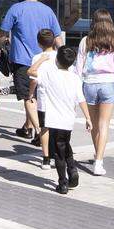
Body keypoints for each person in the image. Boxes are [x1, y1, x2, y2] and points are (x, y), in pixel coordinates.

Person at [0, 0, 63, 141]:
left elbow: (3, 33)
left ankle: (38, 132)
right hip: (45, 61)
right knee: (38, 96)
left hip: (23, 62)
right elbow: (57, 37)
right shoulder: (48, 11)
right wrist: (63, 59)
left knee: (29, 98)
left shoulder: (16, 9)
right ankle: (27, 127)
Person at [30, 44, 92, 193]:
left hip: (54, 120)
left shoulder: (50, 75)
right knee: (65, 145)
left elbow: (31, 71)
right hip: (68, 120)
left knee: (58, 152)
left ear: (56, 60)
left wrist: (41, 60)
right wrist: (88, 118)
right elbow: (81, 99)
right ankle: (73, 171)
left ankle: (62, 183)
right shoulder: (75, 78)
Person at [73, 10, 114, 176]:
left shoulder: (86, 41)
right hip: (108, 83)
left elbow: (78, 68)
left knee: (94, 124)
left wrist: (76, 89)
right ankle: (99, 161)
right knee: (104, 124)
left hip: (89, 83)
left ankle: (98, 155)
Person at [34, 29, 58, 169]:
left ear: (38, 43)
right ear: (54, 41)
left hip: (43, 98)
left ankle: (46, 158)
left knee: (44, 128)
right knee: (56, 127)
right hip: (58, 98)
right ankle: (56, 155)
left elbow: (33, 79)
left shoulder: (37, 58)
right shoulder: (59, 56)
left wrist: (30, 94)